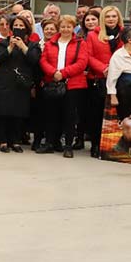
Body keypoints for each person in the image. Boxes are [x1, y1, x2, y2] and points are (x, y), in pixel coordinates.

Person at [37, 15, 89, 157]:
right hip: (52, 83)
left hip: (73, 84)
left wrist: (64, 73)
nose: (65, 29)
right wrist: (54, 73)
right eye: (63, 26)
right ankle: (49, 143)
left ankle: (68, 146)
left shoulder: (80, 43)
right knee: (51, 114)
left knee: (69, 116)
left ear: (73, 28)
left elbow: (82, 62)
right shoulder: (50, 43)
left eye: (68, 26)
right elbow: (43, 60)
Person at [0, 15, 41, 152]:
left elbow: (34, 60)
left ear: (27, 28)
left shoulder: (33, 45)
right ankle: (2, 140)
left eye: (21, 26)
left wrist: (23, 47)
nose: (18, 28)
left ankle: (15, 140)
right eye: (16, 26)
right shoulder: (3, 43)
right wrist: (11, 47)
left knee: (18, 112)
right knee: (3, 111)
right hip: (5, 81)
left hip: (22, 82)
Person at [82, 6, 123, 157]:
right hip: (99, 78)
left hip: (120, 79)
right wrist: (103, 69)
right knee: (96, 114)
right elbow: (89, 56)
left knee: (117, 114)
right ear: (103, 19)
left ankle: (113, 146)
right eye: (108, 16)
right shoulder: (93, 35)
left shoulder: (124, 34)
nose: (111, 19)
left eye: (114, 16)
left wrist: (114, 70)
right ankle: (95, 144)